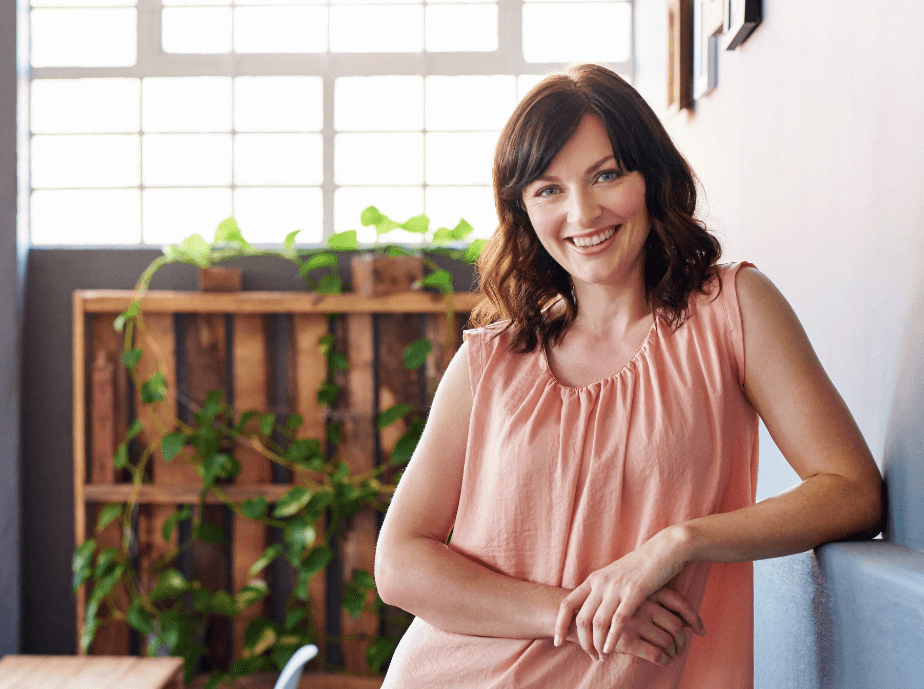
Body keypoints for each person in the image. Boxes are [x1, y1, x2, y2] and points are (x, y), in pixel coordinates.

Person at [373, 63, 884, 688]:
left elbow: (853, 490)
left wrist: (679, 543)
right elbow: (399, 563)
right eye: (547, 189)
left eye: (607, 174)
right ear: (523, 210)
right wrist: (573, 612)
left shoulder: (734, 310)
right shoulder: (490, 362)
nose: (582, 213)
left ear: (653, 176)